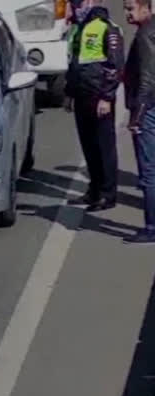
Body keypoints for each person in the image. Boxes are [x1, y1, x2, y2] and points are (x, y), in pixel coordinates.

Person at [64, 0, 125, 211]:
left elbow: (115, 65)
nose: (72, 8)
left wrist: (107, 97)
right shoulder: (78, 29)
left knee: (104, 147)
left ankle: (108, 194)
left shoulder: (107, 27)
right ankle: (94, 190)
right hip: (81, 95)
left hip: (99, 97)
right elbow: (74, 65)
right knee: (88, 146)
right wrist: (69, 94)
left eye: (76, 3)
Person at [124, 0, 155, 244]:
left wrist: (137, 115)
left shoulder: (146, 35)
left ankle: (151, 227)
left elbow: (147, 78)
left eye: (130, 8)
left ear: (146, 8)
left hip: (149, 109)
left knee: (149, 173)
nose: (127, 13)